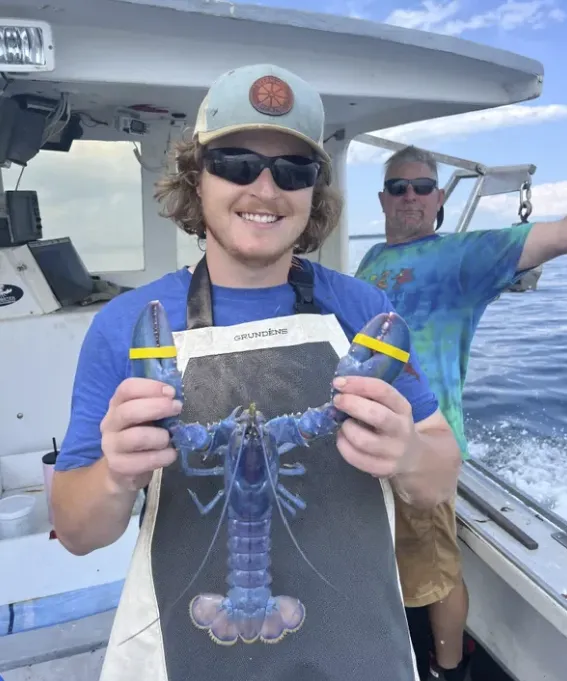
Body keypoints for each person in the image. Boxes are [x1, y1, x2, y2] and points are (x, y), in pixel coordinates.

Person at [51, 64, 461, 681]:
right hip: (188, 655)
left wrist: (408, 454)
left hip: (359, 648)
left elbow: (439, 476)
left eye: (294, 170)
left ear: (314, 191)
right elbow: (76, 532)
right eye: (236, 163)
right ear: (197, 177)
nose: (265, 189)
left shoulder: (363, 309)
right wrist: (115, 474)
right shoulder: (126, 325)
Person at [355, 144, 567, 681]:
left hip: (423, 446)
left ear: (439, 199)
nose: (410, 196)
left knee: (436, 575)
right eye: (398, 187)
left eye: (422, 187)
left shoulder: (466, 256)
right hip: (363, 441)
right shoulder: (372, 259)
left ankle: (448, 669)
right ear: (382, 198)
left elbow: (557, 235)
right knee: (383, 566)